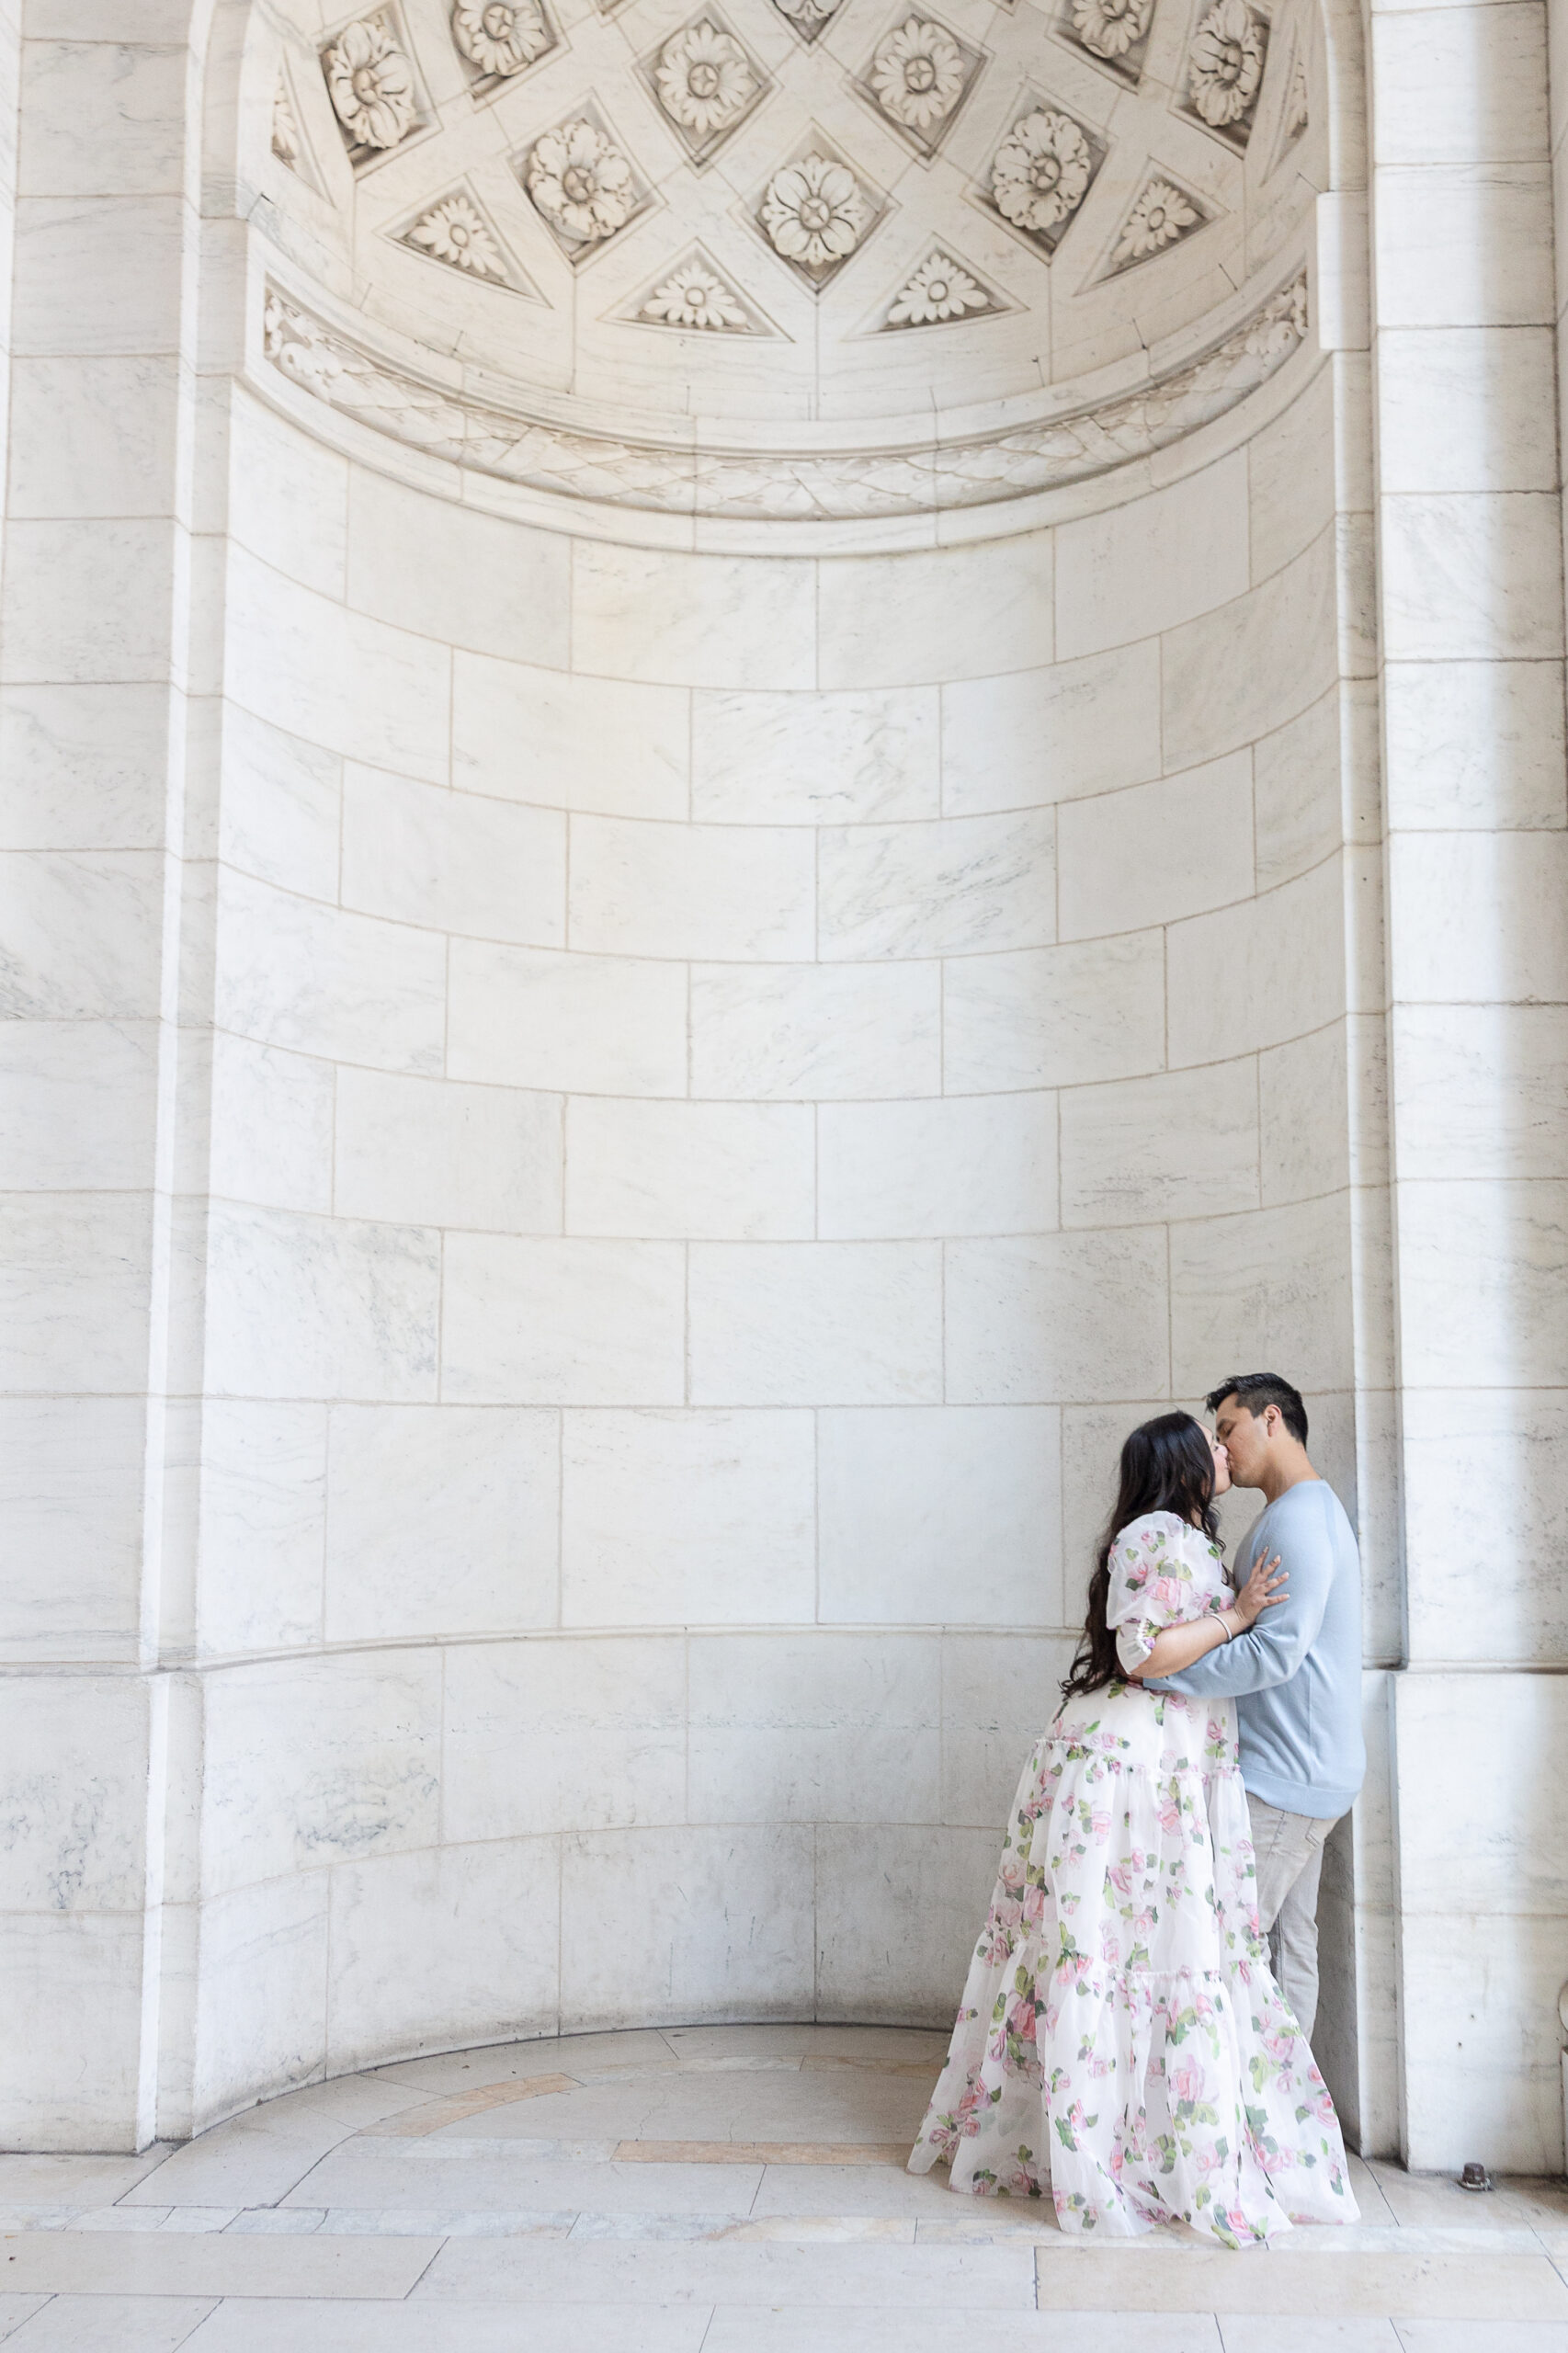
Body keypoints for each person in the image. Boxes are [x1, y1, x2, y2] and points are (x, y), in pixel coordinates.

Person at [908, 1408, 1358, 2244]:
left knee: (1161, 1954)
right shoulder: (1154, 1532)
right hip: (1133, 1764)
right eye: (1211, 1442)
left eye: (1229, 1436)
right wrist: (1239, 1614)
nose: (1224, 1452)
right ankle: (1119, 2150)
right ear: (1184, 1464)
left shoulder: (1182, 1536)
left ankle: (1154, 2138)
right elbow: (1142, 1648)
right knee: (1118, 1953)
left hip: (1169, 1760)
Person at [1141, 1372, 1365, 2045]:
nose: (1221, 1448)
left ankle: (1252, 2121)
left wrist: (1163, 1672)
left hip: (1284, 1780)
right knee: (1286, 1945)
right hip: (1301, 1772)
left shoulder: (1299, 1518)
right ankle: (1286, 2129)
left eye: (1229, 1429)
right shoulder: (1297, 1511)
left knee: (1228, 1943)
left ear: (1273, 1420)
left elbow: (1274, 1654)